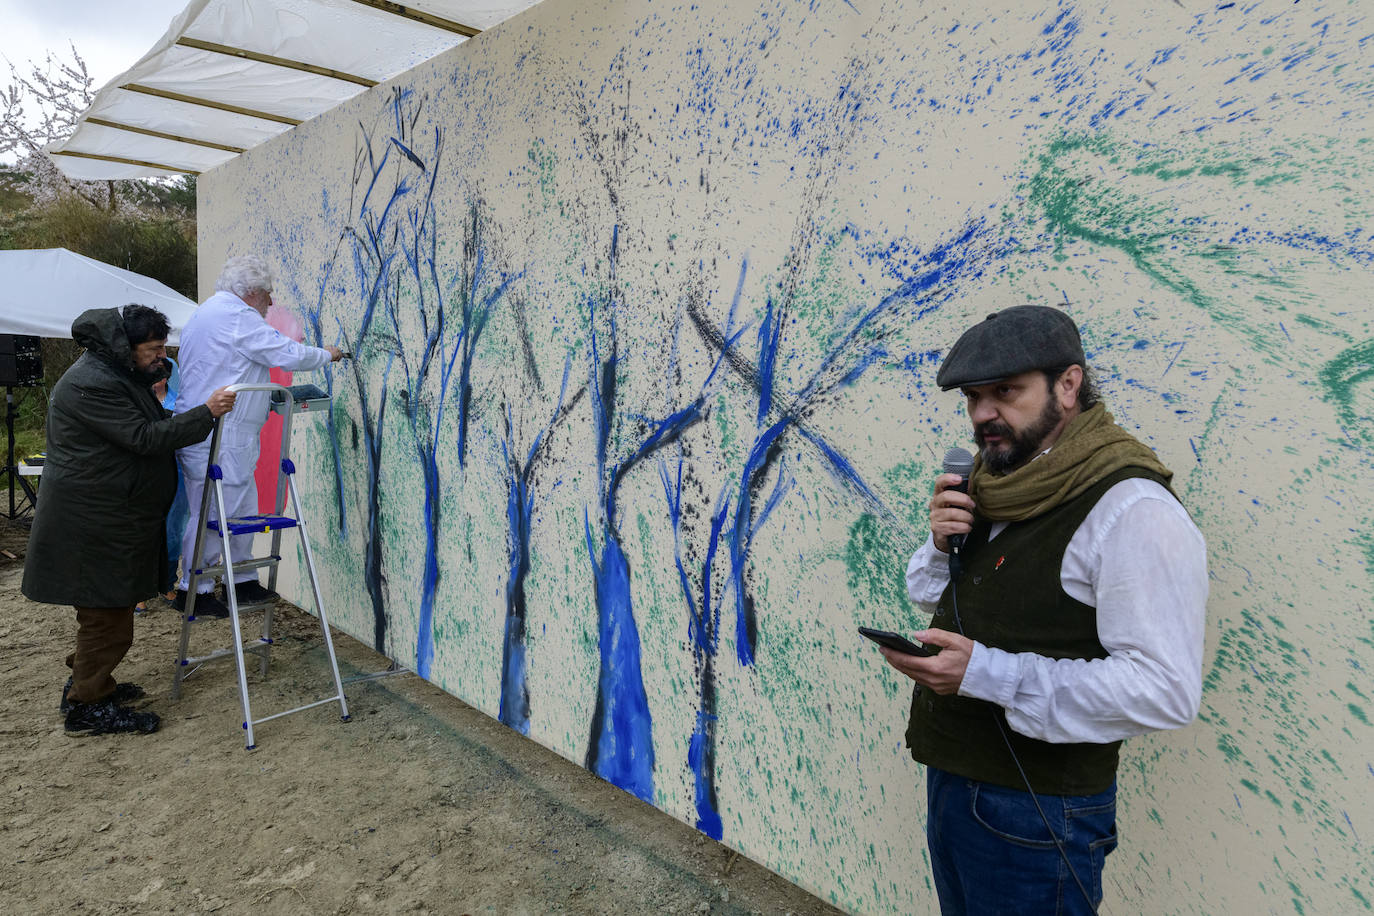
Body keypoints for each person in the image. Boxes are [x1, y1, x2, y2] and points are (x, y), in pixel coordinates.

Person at [882, 305, 1207, 914]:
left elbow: (1165, 690)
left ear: (1069, 384)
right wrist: (940, 543)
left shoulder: (1132, 508)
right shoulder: (994, 482)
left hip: (1039, 816)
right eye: (973, 397)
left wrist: (983, 674)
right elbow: (938, 596)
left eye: (1006, 391)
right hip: (955, 783)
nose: (983, 415)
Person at [22, 305, 236, 736]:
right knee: (108, 618)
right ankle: (88, 706)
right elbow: (143, 437)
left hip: (109, 514)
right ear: (125, 346)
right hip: (93, 520)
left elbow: (148, 424)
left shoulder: (114, 374)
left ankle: (88, 682)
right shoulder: (93, 384)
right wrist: (206, 412)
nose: (162, 358)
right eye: (153, 350)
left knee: (106, 610)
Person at [173, 255, 343, 613]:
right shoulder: (237, 318)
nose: (271, 302)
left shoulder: (206, 315)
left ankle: (242, 580)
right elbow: (286, 353)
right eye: (268, 293)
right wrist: (327, 355)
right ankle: (196, 590)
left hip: (218, 432)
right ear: (250, 292)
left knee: (238, 509)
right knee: (215, 513)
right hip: (222, 434)